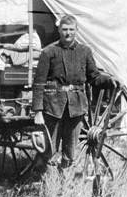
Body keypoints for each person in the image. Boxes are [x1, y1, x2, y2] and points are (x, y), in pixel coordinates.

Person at [32, 14, 121, 169]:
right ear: (59, 30)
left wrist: (109, 80)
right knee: (49, 149)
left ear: (77, 31)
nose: (68, 33)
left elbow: (94, 77)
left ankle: (64, 183)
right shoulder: (49, 52)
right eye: (65, 29)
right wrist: (38, 111)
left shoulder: (84, 51)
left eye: (71, 29)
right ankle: (49, 185)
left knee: (70, 151)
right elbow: (39, 83)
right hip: (53, 106)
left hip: (76, 107)